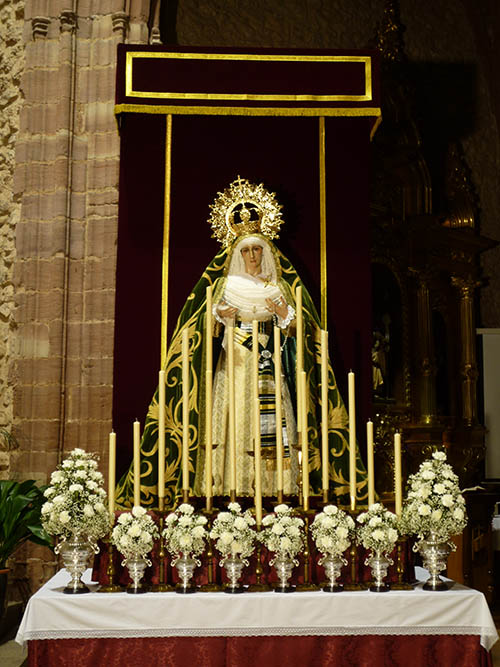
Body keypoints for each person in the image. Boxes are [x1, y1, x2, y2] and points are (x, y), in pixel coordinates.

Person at [115, 178, 367, 510]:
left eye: (256, 249)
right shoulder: (223, 286)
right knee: (228, 418)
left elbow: (301, 337)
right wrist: (217, 319)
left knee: (275, 419)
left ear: (266, 252)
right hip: (231, 365)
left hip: (267, 366)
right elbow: (195, 334)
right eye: (246, 250)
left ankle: (275, 487)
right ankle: (224, 485)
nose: (251, 255)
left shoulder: (281, 289)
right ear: (237, 254)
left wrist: (284, 317)